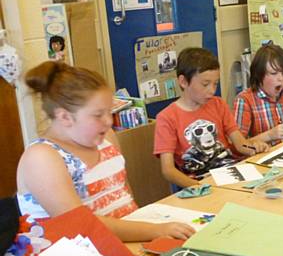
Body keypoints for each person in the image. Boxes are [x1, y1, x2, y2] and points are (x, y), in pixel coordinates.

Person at [16, 61, 194, 242]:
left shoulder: (106, 138)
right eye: (98, 115)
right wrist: (155, 231)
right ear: (65, 117)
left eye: (110, 112)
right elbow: (80, 224)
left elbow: (124, 195)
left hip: (126, 243)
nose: (109, 121)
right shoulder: (42, 157)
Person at [154, 47, 269, 188]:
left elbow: (240, 143)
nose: (212, 90)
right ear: (183, 82)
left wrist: (254, 147)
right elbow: (168, 170)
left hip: (230, 175)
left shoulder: (218, 104)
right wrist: (198, 186)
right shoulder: (166, 118)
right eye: (205, 84)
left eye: (216, 83)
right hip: (200, 183)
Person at [234, 44, 283, 146]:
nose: (281, 78)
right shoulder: (245, 100)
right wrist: (269, 135)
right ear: (259, 75)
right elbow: (239, 146)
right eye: (274, 73)